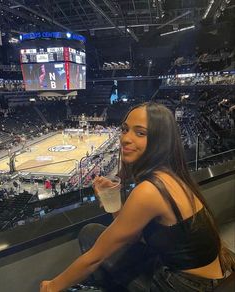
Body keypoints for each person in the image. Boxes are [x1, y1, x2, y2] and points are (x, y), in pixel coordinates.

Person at [40, 102, 234, 292]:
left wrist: (51, 287)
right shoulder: (171, 175)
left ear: (160, 140)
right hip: (205, 277)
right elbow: (132, 235)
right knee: (91, 232)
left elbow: (95, 258)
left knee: (92, 242)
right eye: (125, 130)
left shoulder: (149, 190)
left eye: (140, 133)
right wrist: (112, 200)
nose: (126, 138)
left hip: (186, 284)